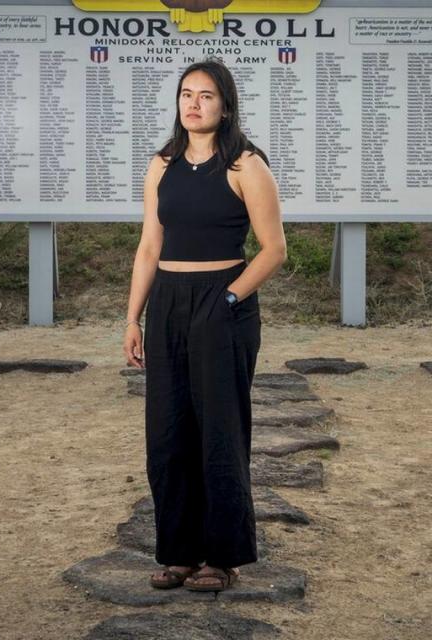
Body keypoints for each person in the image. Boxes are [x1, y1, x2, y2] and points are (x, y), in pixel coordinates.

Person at [121, 59, 287, 592]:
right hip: (167, 302)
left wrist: (231, 297)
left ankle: (222, 556)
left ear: (225, 104)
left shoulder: (246, 166)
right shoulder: (161, 164)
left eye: (207, 95)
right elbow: (149, 247)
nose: (194, 103)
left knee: (220, 431)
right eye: (186, 94)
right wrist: (133, 317)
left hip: (224, 301)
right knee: (168, 432)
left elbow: (274, 250)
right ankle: (179, 552)